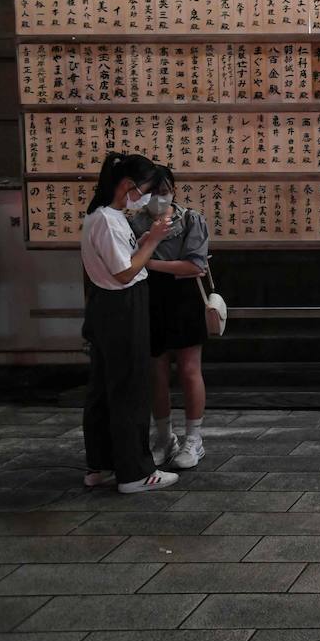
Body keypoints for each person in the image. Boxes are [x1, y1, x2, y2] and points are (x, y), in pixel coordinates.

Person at [80, 152, 180, 494]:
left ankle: (103, 464)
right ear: (128, 185)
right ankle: (135, 472)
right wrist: (152, 240)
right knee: (129, 388)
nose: (149, 196)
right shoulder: (106, 219)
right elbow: (125, 272)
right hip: (121, 306)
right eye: (147, 188)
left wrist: (143, 240)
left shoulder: (103, 216)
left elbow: (122, 257)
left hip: (107, 306)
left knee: (104, 389)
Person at [129, 166, 211, 469]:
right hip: (148, 297)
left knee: (190, 370)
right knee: (156, 373)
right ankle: (164, 437)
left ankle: (194, 439)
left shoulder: (190, 219)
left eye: (162, 192)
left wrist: (148, 263)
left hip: (183, 297)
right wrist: (144, 257)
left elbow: (194, 266)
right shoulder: (135, 222)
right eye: (150, 193)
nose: (157, 199)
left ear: (173, 190)